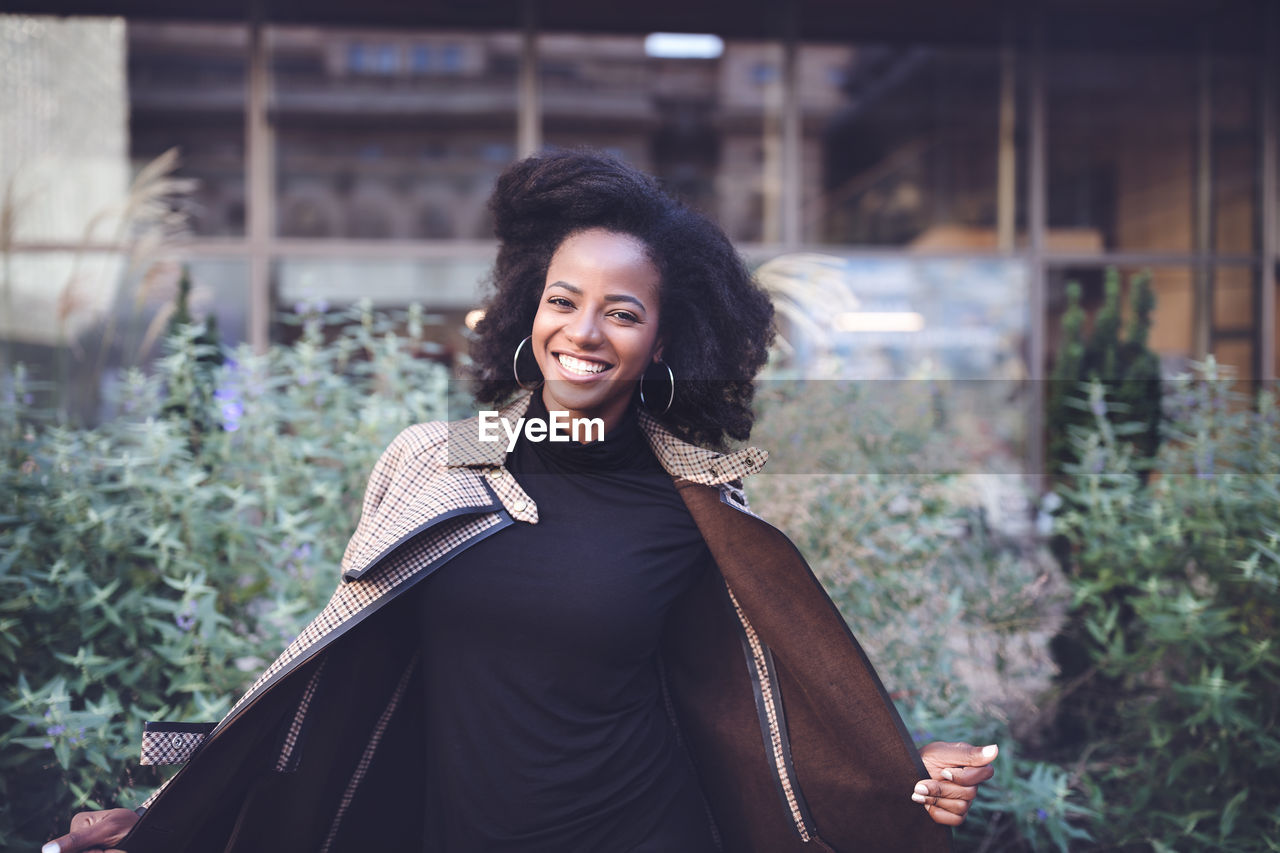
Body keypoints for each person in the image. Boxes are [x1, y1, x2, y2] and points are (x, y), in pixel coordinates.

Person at [46, 150, 996, 853]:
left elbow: (760, 687)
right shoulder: (439, 458)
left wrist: (896, 765)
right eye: (561, 300)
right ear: (526, 309)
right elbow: (344, 653)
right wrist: (200, 800)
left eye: (622, 312)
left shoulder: (696, 498)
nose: (583, 332)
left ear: (664, 341)